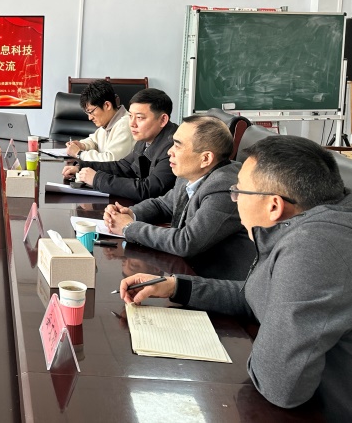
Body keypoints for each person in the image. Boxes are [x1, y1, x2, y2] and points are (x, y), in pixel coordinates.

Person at [119, 136, 352, 419]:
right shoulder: (312, 224)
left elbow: (279, 385)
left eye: (239, 191)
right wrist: (175, 286)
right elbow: (258, 294)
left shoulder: (314, 248)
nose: (235, 199)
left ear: (274, 206)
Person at [103, 116, 254, 279]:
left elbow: (186, 242)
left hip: (215, 281)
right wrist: (130, 213)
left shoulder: (224, 188)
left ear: (205, 158)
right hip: (185, 269)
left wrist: (128, 227)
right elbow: (163, 205)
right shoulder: (191, 173)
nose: (169, 151)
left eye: (177, 145)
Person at [62, 88, 178, 201]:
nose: (132, 123)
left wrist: (97, 179)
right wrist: (82, 167)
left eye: (139, 118)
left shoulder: (174, 147)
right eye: (130, 116)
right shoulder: (145, 138)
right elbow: (123, 166)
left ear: (163, 120)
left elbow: (148, 189)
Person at [64, 79, 135, 161]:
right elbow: (94, 141)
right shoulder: (108, 122)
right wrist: (82, 145)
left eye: (91, 112)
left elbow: (110, 160)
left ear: (107, 105)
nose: (90, 118)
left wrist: (79, 153)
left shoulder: (125, 124)